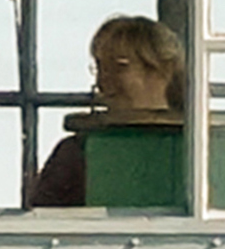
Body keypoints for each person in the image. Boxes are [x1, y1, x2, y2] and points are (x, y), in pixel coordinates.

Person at [25, 13, 183, 207]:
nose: (102, 82)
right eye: (99, 68)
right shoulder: (74, 153)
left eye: (119, 67)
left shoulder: (195, 149)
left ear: (163, 70)